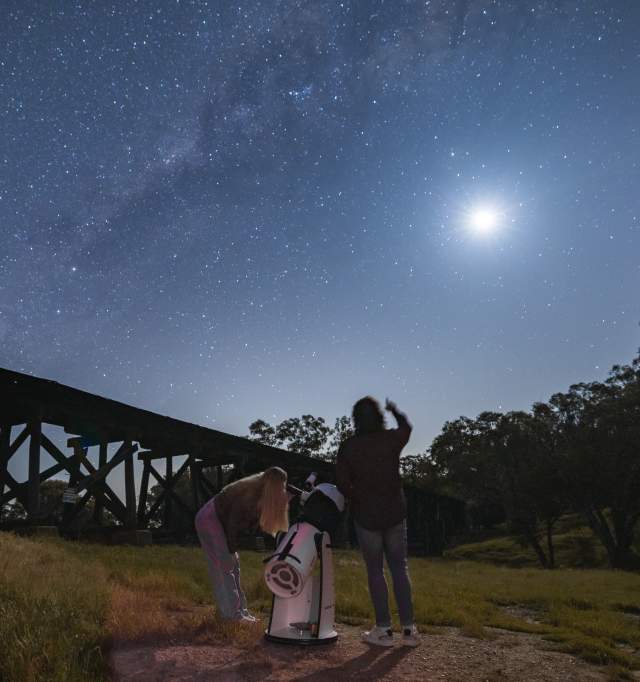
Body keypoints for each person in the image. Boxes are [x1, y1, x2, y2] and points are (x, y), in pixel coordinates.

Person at [336, 397, 419, 647]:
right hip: (394, 513)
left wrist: (358, 497)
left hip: (367, 516)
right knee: (399, 568)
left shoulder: (349, 447)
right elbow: (407, 428)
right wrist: (396, 410)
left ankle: (383, 630)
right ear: (379, 416)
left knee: (375, 571)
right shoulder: (391, 440)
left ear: (355, 419)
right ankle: (409, 631)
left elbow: (342, 483)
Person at [195, 466, 290, 622]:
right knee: (224, 568)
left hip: (218, 521)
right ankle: (231, 616)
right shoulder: (250, 493)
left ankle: (241, 612)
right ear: (273, 484)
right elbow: (232, 523)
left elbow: (248, 523)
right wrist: (231, 549)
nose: (283, 489)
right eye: (281, 485)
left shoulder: (261, 493)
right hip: (209, 519)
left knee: (235, 568)